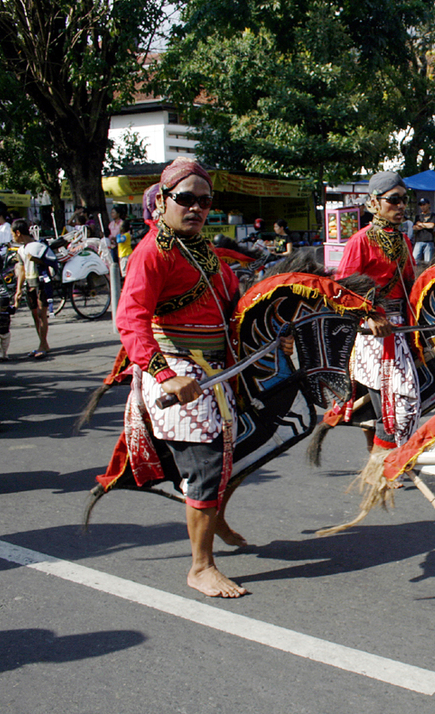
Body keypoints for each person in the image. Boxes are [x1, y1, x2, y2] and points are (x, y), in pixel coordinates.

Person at [113, 157, 291, 598]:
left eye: (204, 201)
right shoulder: (152, 253)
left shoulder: (203, 250)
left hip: (217, 369)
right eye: (186, 199)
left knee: (238, 449)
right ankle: (200, 567)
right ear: (163, 202)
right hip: (176, 370)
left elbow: (235, 303)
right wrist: (165, 375)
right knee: (207, 465)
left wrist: (273, 333)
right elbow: (130, 318)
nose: (196, 208)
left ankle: (215, 520)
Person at [333, 171, 420, 456]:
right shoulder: (360, 241)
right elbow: (344, 288)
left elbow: (411, 286)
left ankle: (383, 462)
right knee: (391, 404)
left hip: (401, 330)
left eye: (404, 200)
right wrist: (370, 315)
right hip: (373, 334)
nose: (401, 207)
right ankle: (382, 468)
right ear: (374, 202)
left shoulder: (405, 241)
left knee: (403, 401)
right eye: (393, 200)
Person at [11, 219, 54, 359]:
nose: (13, 237)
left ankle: (42, 345)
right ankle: (44, 343)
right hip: (30, 284)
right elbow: (22, 270)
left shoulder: (39, 246)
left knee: (42, 313)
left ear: (18, 233)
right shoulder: (21, 250)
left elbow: (51, 262)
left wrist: (37, 260)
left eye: (13, 234)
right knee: (35, 314)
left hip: (41, 282)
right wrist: (18, 290)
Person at [412, 198, 435, 263]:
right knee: (415, 260)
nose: (422, 207)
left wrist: (421, 224)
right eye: (421, 205)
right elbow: (414, 227)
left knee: (428, 261)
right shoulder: (418, 216)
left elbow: (431, 226)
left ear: (428, 205)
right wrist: (425, 225)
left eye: (424, 204)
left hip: (429, 241)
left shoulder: (433, 215)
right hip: (418, 240)